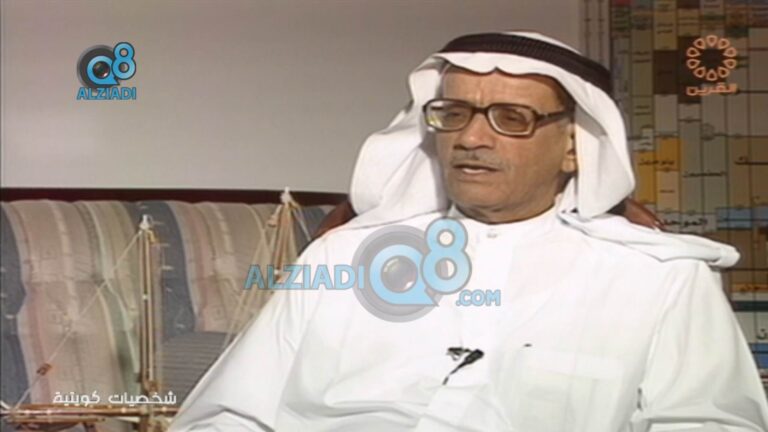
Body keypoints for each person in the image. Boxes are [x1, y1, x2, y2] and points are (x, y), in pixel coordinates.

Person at [169, 32, 768, 431]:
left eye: (512, 118)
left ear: (574, 147)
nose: (471, 138)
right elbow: (227, 414)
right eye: (454, 114)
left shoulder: (660, 280)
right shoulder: (344, 258)